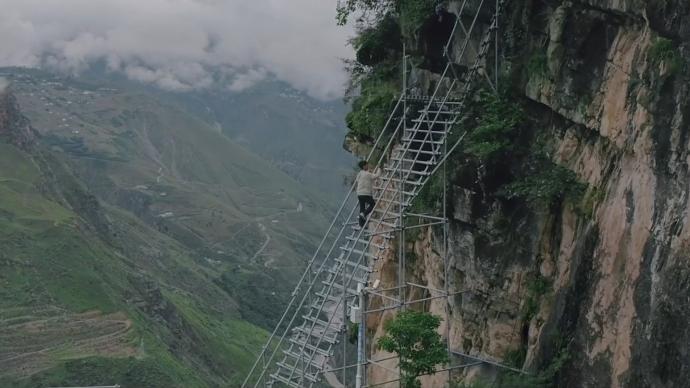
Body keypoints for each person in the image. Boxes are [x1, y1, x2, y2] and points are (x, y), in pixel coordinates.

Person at [356, 160, 380, 227]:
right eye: (367, 165)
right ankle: (364, 214)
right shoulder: (367, 174)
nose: (368, 166)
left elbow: (357, 180)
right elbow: (377, 176)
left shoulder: (360, 173)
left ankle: (361, 224)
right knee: (372, 204)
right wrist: (379, 168)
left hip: (359, 193)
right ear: (364, 166)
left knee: (362, 208)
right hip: (365, 193)